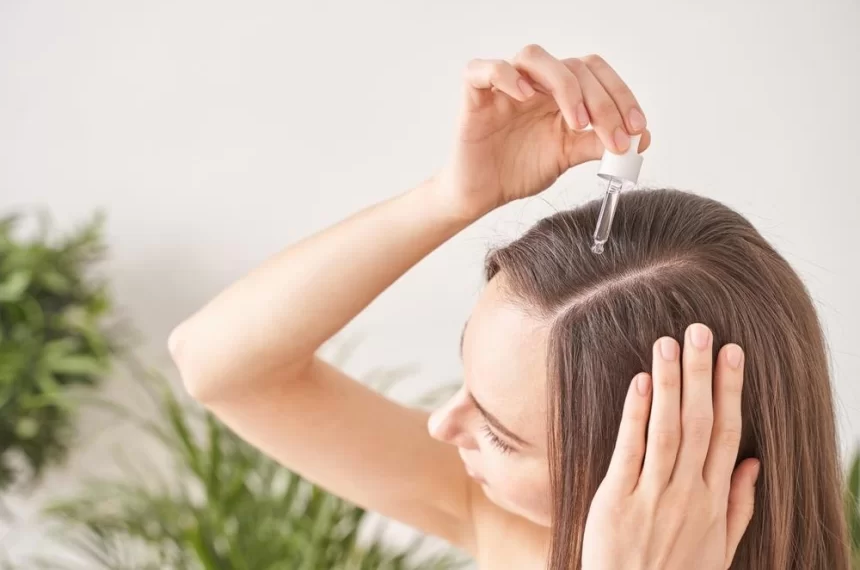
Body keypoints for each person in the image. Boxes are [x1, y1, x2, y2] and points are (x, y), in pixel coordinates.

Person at [167, 45, 850, 569]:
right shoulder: (518, 530)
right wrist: (451, 197)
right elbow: (218, 367)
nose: (442, 425)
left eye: (500, 435)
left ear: (656, 468)